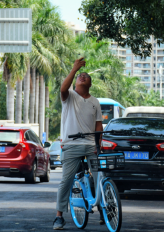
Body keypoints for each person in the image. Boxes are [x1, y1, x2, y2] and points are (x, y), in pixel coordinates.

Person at [53, 57, 103, 230]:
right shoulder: (69, 96)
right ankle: (59, 216)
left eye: (85, 76)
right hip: (71, 145)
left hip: (90, 146)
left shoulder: (95, 102)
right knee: (66, 181)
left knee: (99, 177)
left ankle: (104, 209)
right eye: (80, 75)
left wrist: (99, 145)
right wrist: (74, 68)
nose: (82, 76)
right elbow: (63, 88)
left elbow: (98, 126)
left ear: (90, 83)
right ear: (75, 81)